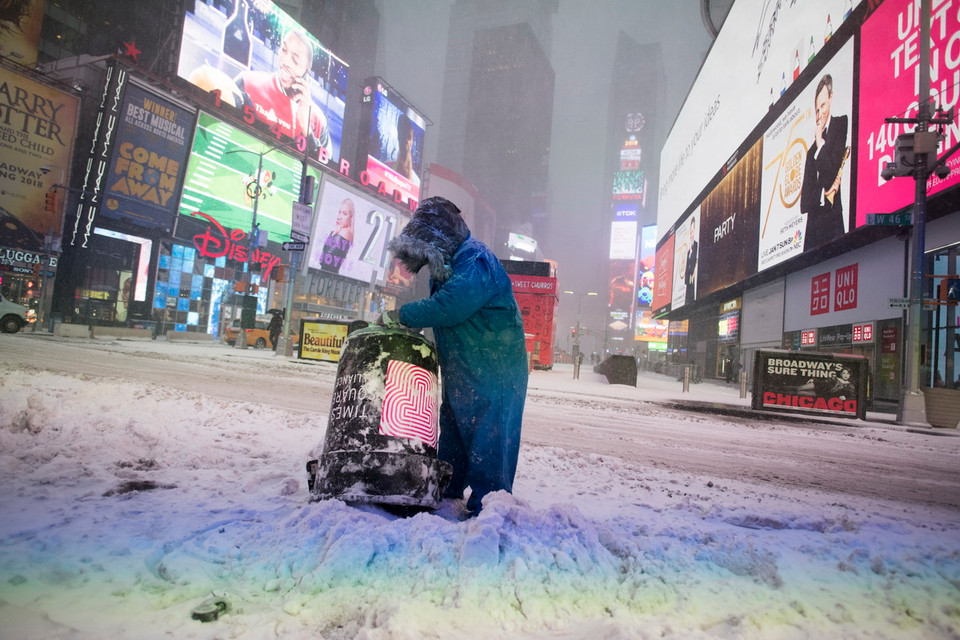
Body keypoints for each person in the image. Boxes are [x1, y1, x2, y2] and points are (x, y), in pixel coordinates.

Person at [378, 196, 528, 516]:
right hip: (465, 369)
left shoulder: (475, 260)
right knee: (455, 432)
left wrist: (403, 316)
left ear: (440, 236)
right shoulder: (448, 263)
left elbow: (450, 306)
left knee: (490, 437)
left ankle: (489, 506)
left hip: (495, 372)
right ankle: (447, 487)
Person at [234, 29, 333, 159]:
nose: (285, 61)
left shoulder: (318, 120)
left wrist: (307, 131)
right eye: (284, 50)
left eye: (295, 60)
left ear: (307, 71)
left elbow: (323, 172)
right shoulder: (247, 82)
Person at [800, 74, 849, 250]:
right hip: (813, 228)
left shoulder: (841, 124)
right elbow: (804, 203)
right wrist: (821, 195)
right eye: (817, 109)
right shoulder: (810, 151)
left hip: (833, 220)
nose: (820, 113)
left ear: (831, 98)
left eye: (823, 105)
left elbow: (831, 172)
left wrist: (820, 142)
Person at [318, 198, 354, 275]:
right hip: (329, 275)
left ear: (350, 217)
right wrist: (334, 233)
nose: (339, 217)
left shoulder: (345, 232)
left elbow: (325, 259)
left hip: (327, 275)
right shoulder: (341, 232)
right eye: (339, 212)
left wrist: (333, 234)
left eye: (344, 214)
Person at [683, 217, 698, 303]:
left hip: (694, 283)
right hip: (688, 284)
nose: (691, 234)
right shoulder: (689, 251)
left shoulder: (697, 246)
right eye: (690, 232)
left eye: (693, 231)